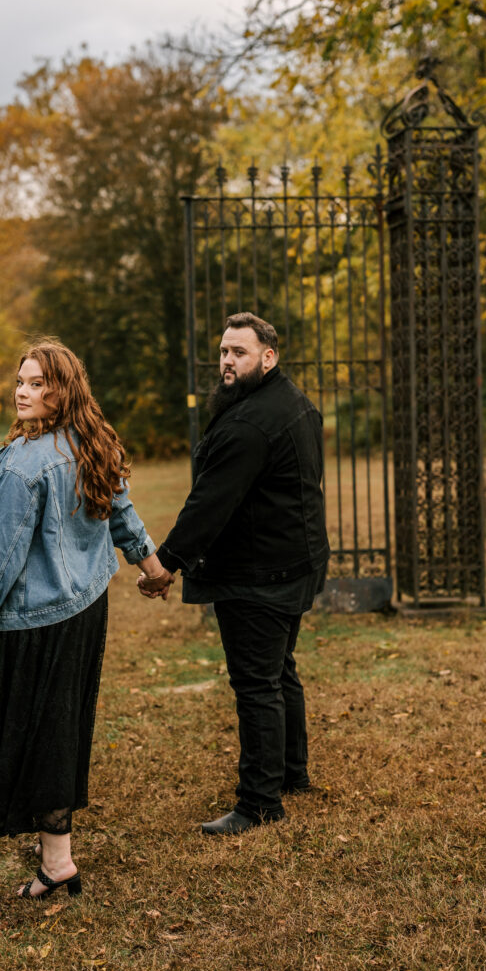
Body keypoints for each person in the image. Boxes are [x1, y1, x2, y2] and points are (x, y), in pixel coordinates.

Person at [0, 338, 170, 898]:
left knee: (37, 735)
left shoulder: (27, 465)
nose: (23, 392)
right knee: (60, 728)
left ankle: (58, 860)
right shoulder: (88, 441)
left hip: (33, 620)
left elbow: (2, 551)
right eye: (20, 381)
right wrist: (153, 568)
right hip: (85, 611)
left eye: (37, 384)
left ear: (62, 390)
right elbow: (122, 510)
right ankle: (57, 856)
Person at [138, 312, 329, 835]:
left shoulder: (251, 422)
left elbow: (209, 504)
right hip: (295, 561)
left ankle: (260, 803)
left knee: (257, 683)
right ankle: (291, 773)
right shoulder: (293, 402)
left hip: (261, 571)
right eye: (223, 351)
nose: (227, 360)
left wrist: (164, 564)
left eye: (238, 353)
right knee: (279, 669)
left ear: (268, 357)